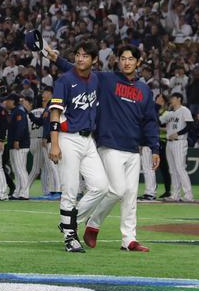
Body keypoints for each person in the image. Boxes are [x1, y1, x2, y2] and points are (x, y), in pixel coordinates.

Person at [49, 44, 160, 252]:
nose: (126, 62)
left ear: (139, 62)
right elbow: (78, 69)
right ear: (117, 60)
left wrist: (155, 148)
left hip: (132, 147)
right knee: (115, 189)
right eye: (123, 58)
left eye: (131, 59)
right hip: (108, 143)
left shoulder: (145, 90)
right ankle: (78, 223)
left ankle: (128, 239)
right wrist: (55, 58)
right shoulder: (107, 79)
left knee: (129, 195)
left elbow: (150, 121)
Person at [48, 40, 109, 253]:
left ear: (93, 60)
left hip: (88, 140)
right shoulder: (64, 81)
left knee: (101, 186)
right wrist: (54, 143)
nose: (80, 58)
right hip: (68, 138)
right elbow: (55, 112)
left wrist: (56, 58)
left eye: (85, 55)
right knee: (70, 189)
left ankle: (69, 222)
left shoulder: (96, 80)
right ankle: (69, 237)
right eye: (78, 54)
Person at [160, 92, 194, 202]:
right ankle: (175, 194)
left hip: (179, 142)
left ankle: (188, 195)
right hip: (169, 143)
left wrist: (178, 133)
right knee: (172, 170)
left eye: (173, 98)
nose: (171, 100)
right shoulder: (169, 113)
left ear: (179, 99)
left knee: (180, 168)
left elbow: (190, 126)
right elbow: (159, 121)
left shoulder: (184, 110)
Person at [7, 95, 32, 200]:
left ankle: (24, 193)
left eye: (8, 100)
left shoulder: (19, 111)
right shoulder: (15, 111)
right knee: (16, 169)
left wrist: (17, 139)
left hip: (20, 145)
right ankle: (17, 192)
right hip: (14, 144)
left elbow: (21, 127)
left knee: (21, 169)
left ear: (12, 101)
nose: (6, 102)